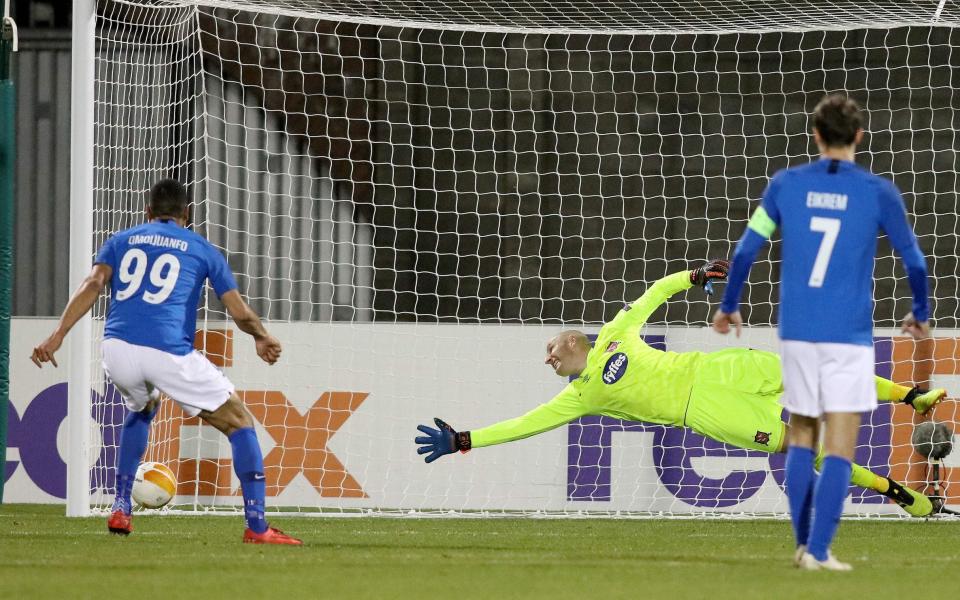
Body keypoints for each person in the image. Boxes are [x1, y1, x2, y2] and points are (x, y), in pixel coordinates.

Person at [415, 263, 942, 519]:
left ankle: (909, 396)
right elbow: (523, 424)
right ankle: (898, 493)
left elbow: (654, 293)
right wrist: (466, 439)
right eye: (549, 358)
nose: (549, 357)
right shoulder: (582, 395)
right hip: (707, 411)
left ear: (571, 338)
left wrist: (694, 276)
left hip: (720, 370)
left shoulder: (616, 331)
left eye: (550, 348)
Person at [713, 94, 931, 571]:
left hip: (797, 331)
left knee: (803, 433)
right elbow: (914, 259)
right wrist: (920, 311)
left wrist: (729, 305)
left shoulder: (785, 184)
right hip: (847, 334)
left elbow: (747, 249)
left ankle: (801, 546)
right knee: (839, 445)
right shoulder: (878, 191)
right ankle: (818, 550)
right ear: (858, 136)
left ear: (815, 135)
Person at [31, 178, 301, 545]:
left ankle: (121, 507)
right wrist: (261, 336)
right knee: (239, 421)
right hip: (167, 351)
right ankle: (257, 528)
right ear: (185, 214)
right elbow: (237, 310)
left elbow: (93, 284)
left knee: (144, 407)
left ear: (148, 211)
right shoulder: (201, 248)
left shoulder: (122, 240)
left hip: (116, 348)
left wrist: (57, 335)